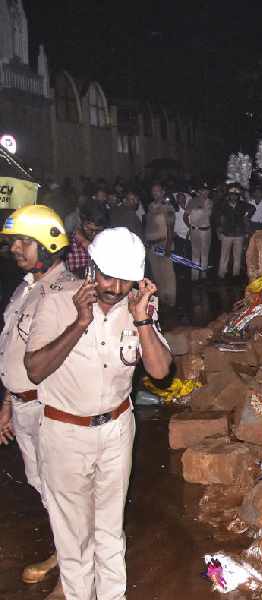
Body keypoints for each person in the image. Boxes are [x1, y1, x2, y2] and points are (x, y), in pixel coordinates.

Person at [24, 227, 172, 600]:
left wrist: (142, 321)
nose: (115, 289)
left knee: (109, 530)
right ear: (91, 269)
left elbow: (159, 370)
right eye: (108, 277)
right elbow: (35, 370)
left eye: (125, 281)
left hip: (116, 431)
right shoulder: (56, 301)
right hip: (64, 432)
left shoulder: (139, 305)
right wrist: (79, 323)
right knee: (72, 537)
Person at [0, 206, 71, 599]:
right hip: (24, 406)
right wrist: (8, 403)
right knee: (45, 487)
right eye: (13, 242)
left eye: (24, 241)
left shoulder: (64, 293)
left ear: (49, 242)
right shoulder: (26, 286)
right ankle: (64, 554)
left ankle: (72, 579)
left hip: (48, 409)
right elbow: (12, 349)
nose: (15, 249)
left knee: (64, 492)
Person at [144, 183, 176, 306]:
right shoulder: (150, 206)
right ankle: (162, 299)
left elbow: (171, 227)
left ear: (163, 192)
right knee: (157, 273)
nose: (155, 193)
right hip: (151, 245)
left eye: (158, 191)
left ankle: (171, 300)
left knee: (167, 273)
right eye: (153, 191)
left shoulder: (168, 207)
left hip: (163, 243)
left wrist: (168, 245)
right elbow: (148, 225)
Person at [65, 202, 108, 278]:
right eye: (89, 229)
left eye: (98, 231)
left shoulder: (107, 241)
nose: (93, 234)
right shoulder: (69, 244)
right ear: (81, 222)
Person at [218, 185, 252, 279]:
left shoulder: (242, 204)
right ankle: (222, 274)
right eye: (232, 195)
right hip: (227, 233)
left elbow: (252, 208)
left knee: (237, 256)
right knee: (224, 255)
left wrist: (246, 216)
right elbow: (220, 218)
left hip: (238, 234)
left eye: (236, 195)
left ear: (238, 196)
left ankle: (235, 274)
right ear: (229, 195)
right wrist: (219, 231)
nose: (234, 197)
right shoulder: (223, 205)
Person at [186, 185, 212, 280]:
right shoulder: (192, 201)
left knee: (205, 253)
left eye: (207, 192)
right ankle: (195, 277)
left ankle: (204, 275)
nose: (205, 194)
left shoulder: (209, 202)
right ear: (198, 192)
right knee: (195, 254)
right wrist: (190, 227)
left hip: (206, 231)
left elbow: (207, 214)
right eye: (203, 192)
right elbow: (185, 215)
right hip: (195, 230)